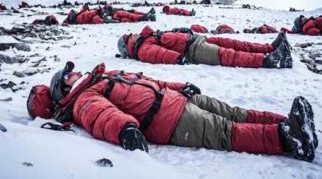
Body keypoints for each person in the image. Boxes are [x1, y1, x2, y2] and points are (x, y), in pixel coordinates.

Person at [42, 61, 318, 162]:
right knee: (226, 132)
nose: (73, 71)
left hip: (176, 98)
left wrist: (180, 85)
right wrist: (126, 128)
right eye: (67, 74)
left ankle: (289, 123)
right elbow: (103, 116)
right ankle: (288, 139)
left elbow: (151, 82)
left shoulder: (105, 76)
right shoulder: (83, 99)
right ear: (63, 90)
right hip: (170, 121)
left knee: (234, 112)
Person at [117, 26, 292, 69]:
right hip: (193, 50)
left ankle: (269, 48)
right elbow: (160, 54)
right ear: (128, 46)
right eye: (127, 37)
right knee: (229, 55)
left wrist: (182, 31)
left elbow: (167, 40)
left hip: (196, 39)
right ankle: (270, 61)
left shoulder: (148, 37)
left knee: (233, 43)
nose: (131, 34)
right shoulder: (143, 48)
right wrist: (179, 59)